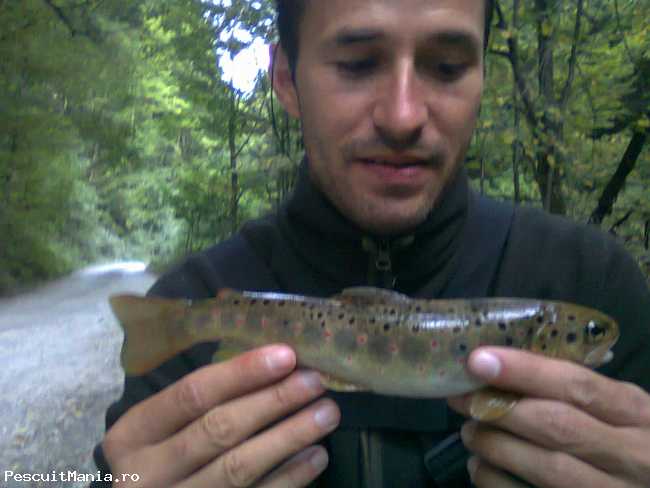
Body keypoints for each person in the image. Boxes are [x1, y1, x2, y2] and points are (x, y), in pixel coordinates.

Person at [92, 0, 650, 486]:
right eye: (357, 64)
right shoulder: (188, 305)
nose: (403, 117)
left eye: (447, 67)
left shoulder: (596, 278)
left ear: (484, 78)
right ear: (286, 79)